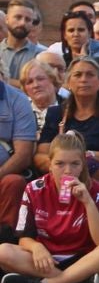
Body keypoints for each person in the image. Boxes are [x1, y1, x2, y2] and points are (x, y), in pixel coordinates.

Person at [0, 131, 99, 283]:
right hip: (47, 261)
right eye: (60, 164)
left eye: (75, 164)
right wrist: (36, 247)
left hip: (85, 261)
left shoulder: (95, 191)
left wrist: (87, 202)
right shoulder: (34, 189)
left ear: (83, 165)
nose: (67, 171)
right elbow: (25, 238)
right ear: (50, 164)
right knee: (3, 251)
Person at [35, 57, 99, 224]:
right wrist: (66, 168)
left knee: (86, 188)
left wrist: (89, 156)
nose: (84, 79)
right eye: (78, 75)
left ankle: (93, 239)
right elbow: (40, 155)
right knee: (40, 189)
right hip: (61, 177)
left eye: (90, 75)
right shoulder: (56, 113)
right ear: (68, 82)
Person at [0, 72, 37, 233]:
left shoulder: (17, 100)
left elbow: (23, 155)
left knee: (14, 182)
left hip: (3, 173)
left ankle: (6, 239)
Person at [1, 0, 46, 80]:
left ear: (32, 24)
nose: (22, 23)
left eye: (28, 20)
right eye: (18, 17)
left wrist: (5, 81)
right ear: (7, 19)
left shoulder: (41, 55)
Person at [19, 60, 62, 133]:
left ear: (53, 80)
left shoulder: (70, 107)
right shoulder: (19, 112)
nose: (36, 85)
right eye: (29, 82)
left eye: (40, 79)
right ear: (25, 89)